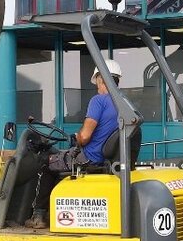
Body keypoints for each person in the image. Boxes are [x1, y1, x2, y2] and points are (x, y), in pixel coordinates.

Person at [26, 59, 122, 228]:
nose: (97, 86)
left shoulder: (98, 101)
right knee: (59, 160)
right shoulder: (124, 103)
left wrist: (75, 137)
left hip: (89, 157)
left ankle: (38, 216)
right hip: (107, 158)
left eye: (97, 82)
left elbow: (84, 137)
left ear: (101, 79)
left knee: (46, 164)